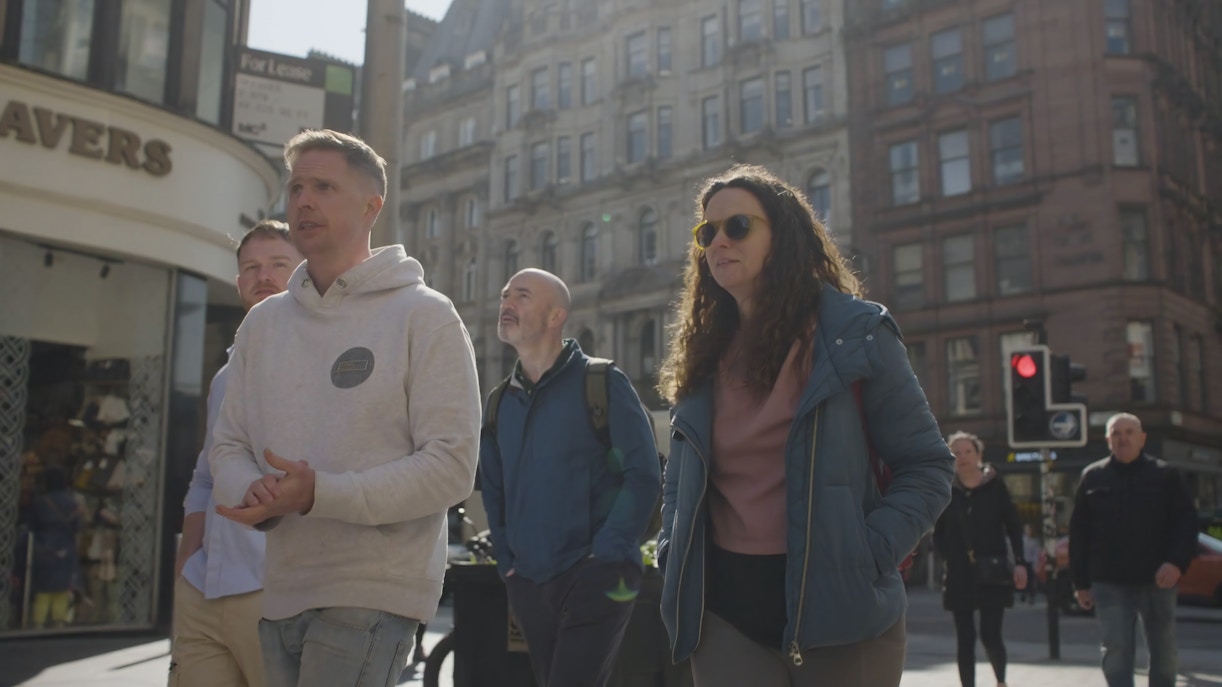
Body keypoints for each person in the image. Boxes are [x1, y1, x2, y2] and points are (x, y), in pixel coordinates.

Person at [655, 164, 953, 686]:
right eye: (707, 232)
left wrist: (868, 555)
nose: (718, 241)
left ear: (783, 235)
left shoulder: (855, 333)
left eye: (738, 227)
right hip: (724, 616)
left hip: (843, 616)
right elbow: (681, 483)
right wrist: (673, 556)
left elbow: (927, 465)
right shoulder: (701, 356)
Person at [210, 129, 481, 687]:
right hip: (281, 589)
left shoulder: (425, 315)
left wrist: (320, 493)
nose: (303, 200)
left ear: (371, 205)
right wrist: (251, 490)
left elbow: (453, 466)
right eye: (296, 187)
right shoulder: (263, 324)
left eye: (324, 186)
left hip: (374, 594)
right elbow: (229, 442)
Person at [480, 268, 661, 687]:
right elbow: (494, 490)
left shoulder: (603, 381)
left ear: (555, 316)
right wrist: (509, 565)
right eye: (505, 294)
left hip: (596, 576)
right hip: (528, 583)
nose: (507, 303)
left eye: (522, 296)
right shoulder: (498, 403)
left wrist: (608, 551)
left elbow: (644, 475)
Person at [168, 220, 301, 687]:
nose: (263, 276)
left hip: (276, 595)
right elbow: (204, 479)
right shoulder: (226, 374)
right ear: (239, 281)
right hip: (204, 590)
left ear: (305, 270)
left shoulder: (324, 364)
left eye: (278, 265)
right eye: (252, 267)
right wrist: (187, 567)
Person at [1069, 412, 1198, 687]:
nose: (1123, 438)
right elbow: (1079, 533)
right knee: (1116, 650)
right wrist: (1080, 582)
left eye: (1129, 432)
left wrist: (1175, 563)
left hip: (1157, 579)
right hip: (1109, 581)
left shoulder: (1165, 475)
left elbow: (1187, 523)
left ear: (1142, 439)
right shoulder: (1092, 477)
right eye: (1116, 433)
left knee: (1163, 651)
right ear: (1108, 440)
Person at [932, 431, 1028, 687]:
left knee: (991, 635)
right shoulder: (945, 489)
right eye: (955, 452)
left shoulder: (995, 485)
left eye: (967, 451)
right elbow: (937, 532)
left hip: (992, 570)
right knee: (965, 638)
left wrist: (1019, 562)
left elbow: (1013, 525)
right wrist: (947, 558)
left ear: (979, 455)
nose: (962, 457)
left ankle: (1001, 681)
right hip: (959, 573)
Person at [28, 468, 84, 629]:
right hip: (66, 545)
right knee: (62, 587)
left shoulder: (40, 501)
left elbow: (32, 526)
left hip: (43, 545)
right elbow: (78, 526)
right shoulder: (73, 502)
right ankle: (59, 620)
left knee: (43, 587)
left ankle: (39, 620)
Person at [1021, 524, 1040, 604]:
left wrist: (1035, 564)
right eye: (1027, 529)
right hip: (1023, 562)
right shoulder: (1021, 540)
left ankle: (1031, 597)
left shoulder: (1034, 541)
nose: (1028, 531)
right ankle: (1023, 594)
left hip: (1030, 562)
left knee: (1031, 580)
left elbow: (1036, 553)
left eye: (1030, 530)